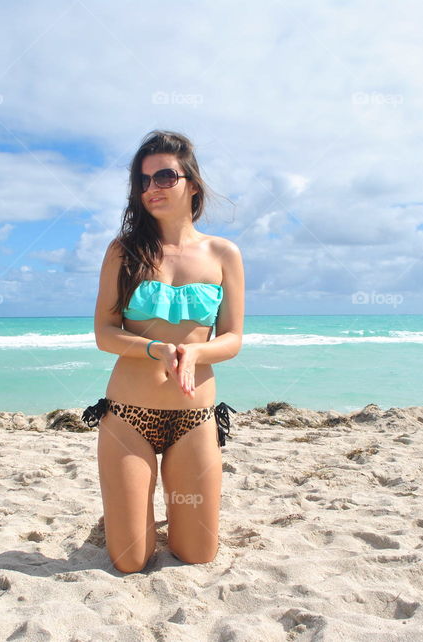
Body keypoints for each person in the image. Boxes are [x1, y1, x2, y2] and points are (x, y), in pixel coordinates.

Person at [82, 130, 245, 573]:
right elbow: (105, 332)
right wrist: (156, 348)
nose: (151, 188)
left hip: (195, 417)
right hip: (128, 417)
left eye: (164, 177)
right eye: (143, 180)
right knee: (130, 560)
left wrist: (196, 353)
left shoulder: (223, 254)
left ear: (192, 184)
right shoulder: (124, 251)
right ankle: (124, 516)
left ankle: (147, 513)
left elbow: (231, 337)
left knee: (197, 554)